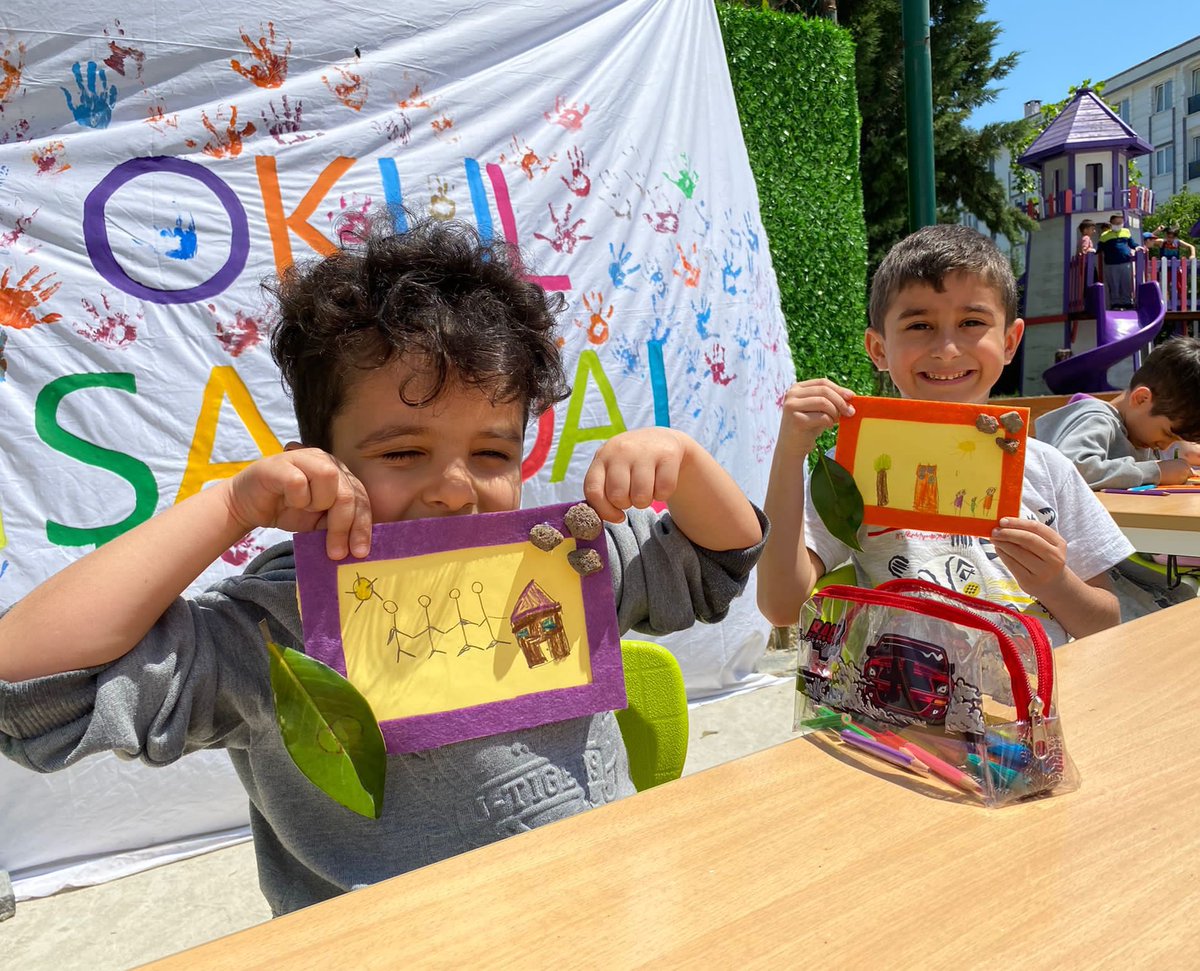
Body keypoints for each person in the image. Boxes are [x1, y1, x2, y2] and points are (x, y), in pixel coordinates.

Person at [0, 216, 766, 917]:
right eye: (404, 451)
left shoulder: (561, 561)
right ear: (320, 456)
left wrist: (686, 463)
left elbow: (721, 556)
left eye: (494, 452)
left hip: (599, 916)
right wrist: (226, 509)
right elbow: (28, 686)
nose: (457, 486)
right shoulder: (274, 630)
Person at [758, 224, 1132, 646]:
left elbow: (1105, 624)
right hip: (906, 706)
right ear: (879, 349)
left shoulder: (1049, 469)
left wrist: (1054, 582)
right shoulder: (854, 467)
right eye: (919, 326)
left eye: (972, 321)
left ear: (1010, 342)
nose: (947, 349)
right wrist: (790, 453)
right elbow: (781, 605)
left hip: (1035, 703)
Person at [1036, 337, 1200, 490]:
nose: (1165, 446)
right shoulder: (1097, 419)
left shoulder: (1139, 434)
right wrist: (1156, 471)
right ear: (1141, 399)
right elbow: (1070, 470)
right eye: (1167, 434)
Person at [1097, 212, 1138, 309]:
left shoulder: (1126, 232)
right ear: (1111, 223)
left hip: (1125, 262)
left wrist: (1137, 247)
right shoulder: (1104, 235)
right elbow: (1099, 248)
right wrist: (1093, 250)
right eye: (1116, 223)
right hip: (1111, 263)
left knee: (1126, 283)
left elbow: (1132, 243)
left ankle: (1127, 302)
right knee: (1114, 284)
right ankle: (1115, 303)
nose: (1118, 225)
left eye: (1120, 222)